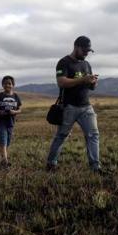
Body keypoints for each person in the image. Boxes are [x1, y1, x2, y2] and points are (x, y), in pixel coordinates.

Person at [46, 36, 102, 173]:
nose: (86, 53)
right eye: (84, 50)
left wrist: (93, 83)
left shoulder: (86, 64)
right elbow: (62, 82)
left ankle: (95, 167)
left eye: (88, 51)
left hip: (86, 106)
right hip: (69, 106)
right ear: (76, 47)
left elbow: (90, 87)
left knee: (93, 135)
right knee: (62, 135)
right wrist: (83, 79)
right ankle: (51, 163)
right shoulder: (64, 62)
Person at [0, 76, 22, 168]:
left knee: (8, 141)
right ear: (2, 85)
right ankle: (5, 161)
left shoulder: (16, 96)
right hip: (1, 122)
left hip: (11, 122)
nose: (7, 85)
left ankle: (2, 157)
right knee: (3, 140)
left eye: (9, 83)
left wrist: (15, 112)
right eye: (5, 83)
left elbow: (20, 108)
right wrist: (0, 112)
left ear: (13, 85)